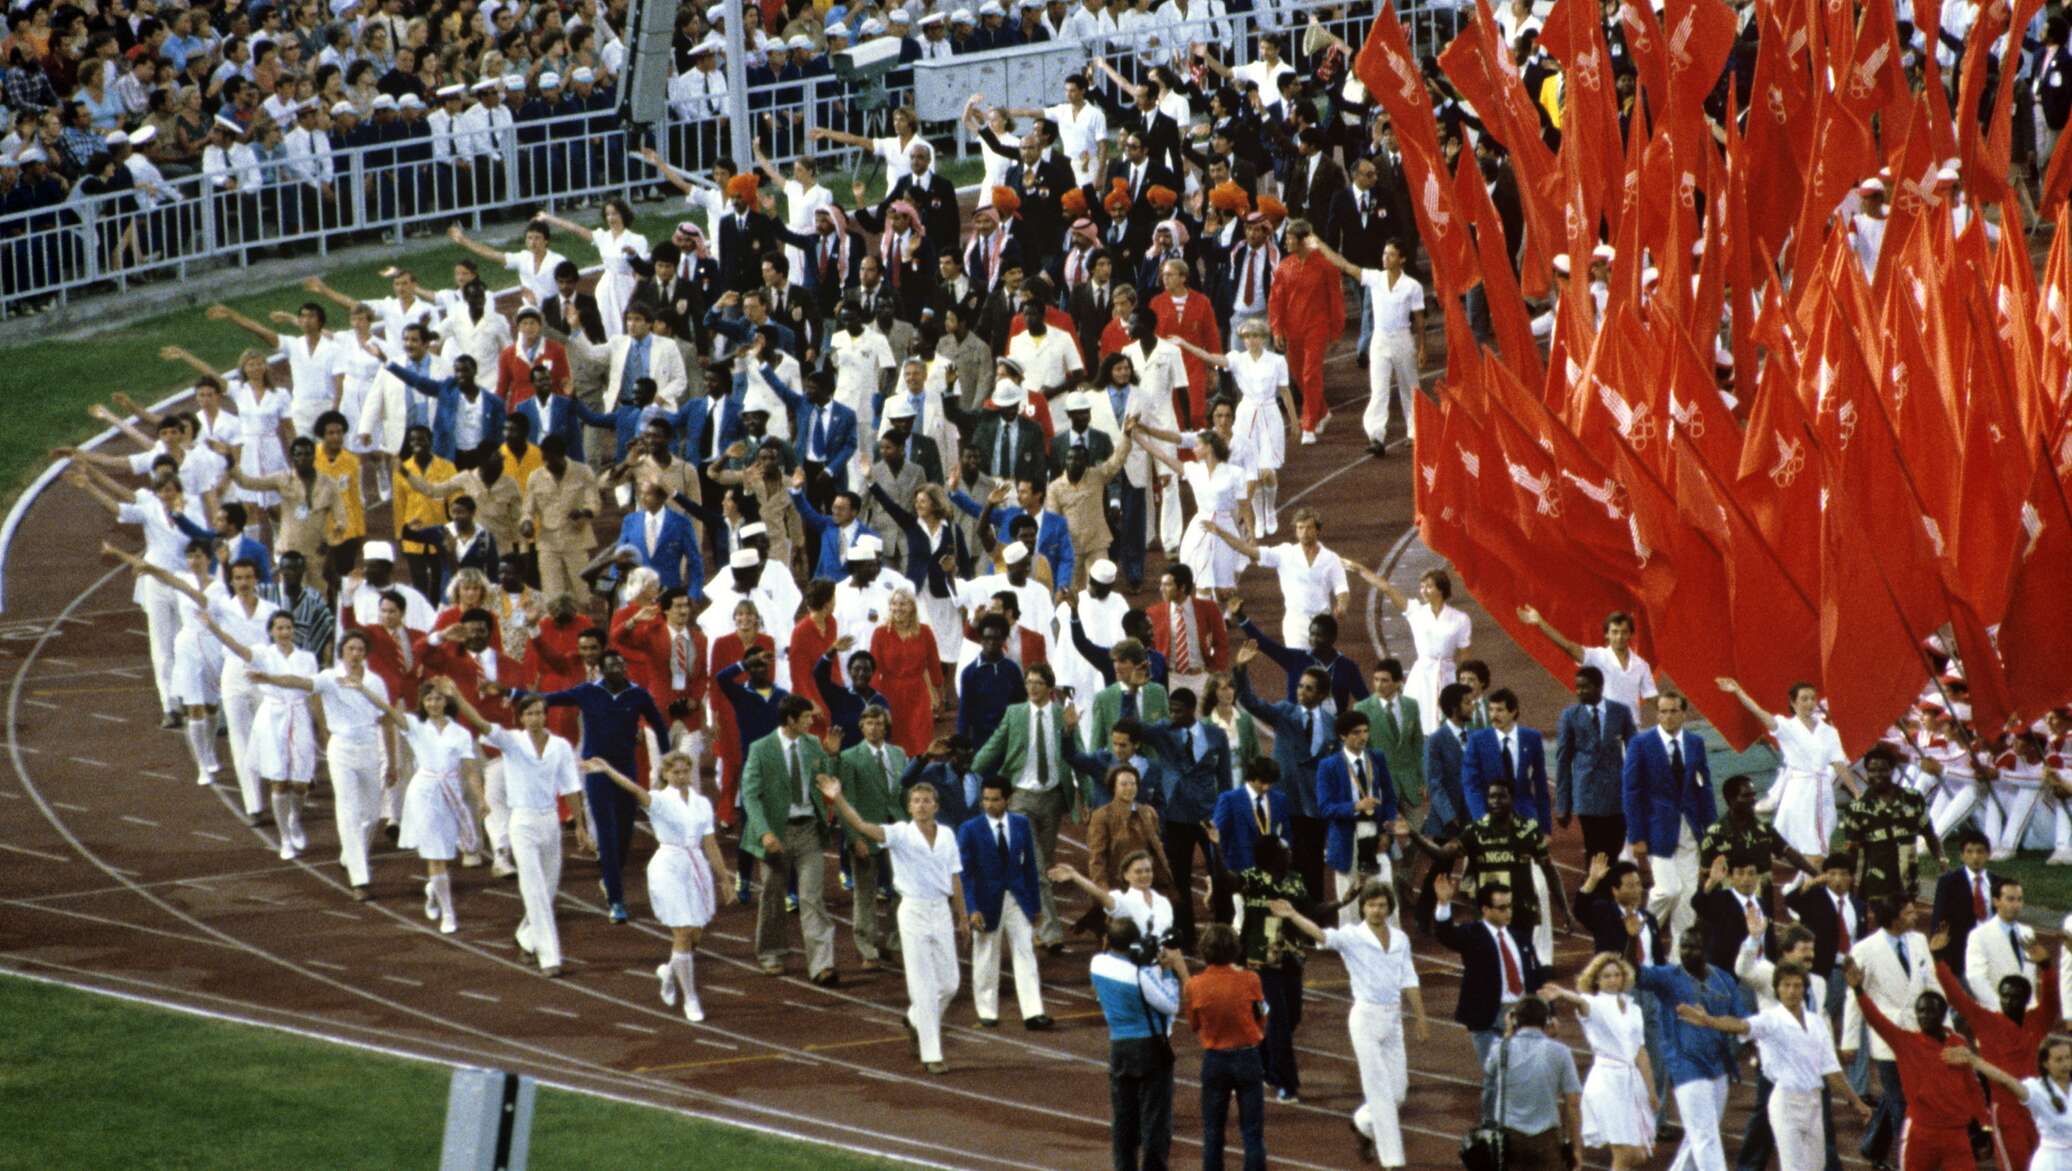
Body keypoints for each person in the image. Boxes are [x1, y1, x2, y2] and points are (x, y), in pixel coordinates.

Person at [1274, 881, 1430, 1167]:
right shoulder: (1351, 936)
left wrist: (1420, 1018)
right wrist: (1293, 915)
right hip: (1365, 1019)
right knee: (1380, 1092)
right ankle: (1392, 1161)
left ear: (1389, 908)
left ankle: (1362, 1122)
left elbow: (1409, 977)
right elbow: (1321, 934)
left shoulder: (1400, 939)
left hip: (1393, 1019)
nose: (1376, 910)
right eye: (1371, 905)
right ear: (1363, 908)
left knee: (1398, 1091)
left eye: (1382, 905)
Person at [821, 773, 968, 1074]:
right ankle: (932, 1054)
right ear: (909, 807)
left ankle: (914, 1019)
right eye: (916, 801)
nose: (921, 806)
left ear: (936, 806)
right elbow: (863, 826)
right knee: (923, 986)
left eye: (927, 801)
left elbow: (955, 876)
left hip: (940, 910)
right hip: (912, 910)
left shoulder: (948, 836)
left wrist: (962, 916)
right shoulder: (901, 833)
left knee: (951, 983)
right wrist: (838, 798)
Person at [444, 682, 588, 977]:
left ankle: (525, 936)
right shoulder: (512, 741)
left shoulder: (560, 746)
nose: (536, 718)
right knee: (533, 889)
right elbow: (482, 725)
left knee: (547, 889)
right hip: (522, 822)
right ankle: (550, 957)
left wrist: (581, 826)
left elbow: (571, 787)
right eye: (530, 714)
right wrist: (458, 696)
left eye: (540, 713)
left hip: (550, 821)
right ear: (521, 718)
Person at [1676, 962, 1873, 1171]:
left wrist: (1856, 1102)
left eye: (1797, 986)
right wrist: (1710, 1021)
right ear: (1777, 988)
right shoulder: (1771, 1019)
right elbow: (1741, 1025)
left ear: (1804, 988)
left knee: (1817, 1166)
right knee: (1793, 1167)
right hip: (1786, 1102)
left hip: (1814, 1103)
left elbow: (1832, 1070)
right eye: (1786, 985)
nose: (1791, 991)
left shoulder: (1817, 1023)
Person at [588, 752, 732, 1021]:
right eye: (675, 772)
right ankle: (691, 998)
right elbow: (633, 788)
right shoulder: (661, 800)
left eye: (685, 771)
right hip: (669, 867)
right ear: (665, 774)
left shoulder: (701, 803)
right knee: (683, 931)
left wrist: (724, 878)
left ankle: (669, 970)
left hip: (695, 866)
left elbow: (710, 842)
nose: (680, 777)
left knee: (695, 935)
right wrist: (607, 770)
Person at [344, 676, 481, 935]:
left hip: (450, 794)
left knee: (445, 853)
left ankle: (433, 890)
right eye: (429, 699)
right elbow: (386, 709)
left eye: (438, 698)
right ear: (423, 702)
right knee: (434, 853)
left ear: (446, 701)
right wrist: (362, 688)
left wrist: (482, 799)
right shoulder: (415, 725)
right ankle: (449, 912)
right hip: (424, 794)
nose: (433, 703)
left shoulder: (460, 733)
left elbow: (471, 770)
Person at [1932, 922, 2060, 1171]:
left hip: (2038, 1108)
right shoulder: (1986, 1022)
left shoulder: (2037, 1021)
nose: (2008, 1000)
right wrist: (1939, 959)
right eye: (2004, 995)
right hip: (2007, 1111)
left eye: (2015, 996)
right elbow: (1957, 996)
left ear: (2026, 999)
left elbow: (2052, 999)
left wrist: (2046, 967)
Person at [1843, 956, 1992, 1171]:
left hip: (1956, 1135)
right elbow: (1876, 1020)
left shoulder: (1958, 1043)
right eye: (1920, 1011)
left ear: (1942, 1014)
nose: (1924, 1015)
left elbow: (1972, 1086)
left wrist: (1984, 1123)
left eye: (1930, 1010)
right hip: (1920, 1135)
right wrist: (1858, 990)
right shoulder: (1905, 1043)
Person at [972, 663, 1079, 952]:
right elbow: (995, 745)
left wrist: (1084, 797)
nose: (1032, 688)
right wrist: (970, 769)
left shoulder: (1061, 715)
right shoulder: (1015, 713)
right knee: (1038, 866)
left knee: (1041, 864)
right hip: (1021, 796)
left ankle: (1032, 919)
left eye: (1038, 683)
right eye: (1028, 682)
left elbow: (1075, 754)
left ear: (1049, 687)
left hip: (1053, 797)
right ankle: (1051, 932)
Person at [202, 609, 320, 860]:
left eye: (288, 628)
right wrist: (213, 628)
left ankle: (294, 818)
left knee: (300, 782)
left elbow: (312, 689)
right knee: (278, 780)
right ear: (271, 631)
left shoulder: (307, 658)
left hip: (298, 716)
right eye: (279, 628)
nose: (285, 633)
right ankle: (285, 838)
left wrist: (318, 727)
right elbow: (238, 649)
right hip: (273, 717)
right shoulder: (263, 654)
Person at [741, 695, 839, 983]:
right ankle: (772, 952)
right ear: (791, 720)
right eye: (807, 718)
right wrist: (764, 832)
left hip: (808, 829)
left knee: (812, 897)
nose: (812, 722)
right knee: (772, 894)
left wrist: (831, 758)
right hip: (776, 831)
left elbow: (826, 784)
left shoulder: (811, 745)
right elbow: (750, 794)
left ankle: (822, 965)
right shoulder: (760, 749)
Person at [1635, 927, 1745, 1171]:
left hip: (1718, 1066)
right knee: (1705, 1136)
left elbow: (1742, 1021)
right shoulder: (1668, 976)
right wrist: (1632, 938)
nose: (1686, 952)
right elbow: (1634, 974)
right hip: (1686, 1066)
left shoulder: (1724, 980)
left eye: (1693, 946)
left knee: (1700, 1133)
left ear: (1706, 949)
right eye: (1683, 946)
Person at [1717, 677, 1852, 874]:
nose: (1809, 703)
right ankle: (1791, 891)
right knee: (1789, 847)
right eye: (1804, 699)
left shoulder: (1828, 732)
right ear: (1793, 703)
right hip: (1797, 792)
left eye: (1812, 699)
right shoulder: (1786, 727)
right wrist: (1739, 692)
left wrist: (1856, 791)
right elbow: (1759, 712)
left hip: (1821, 792)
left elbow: (1839, 763)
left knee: (1818, 850)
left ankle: (1811, 889)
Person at [1540, 956, 1660, 1171]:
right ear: (1596, 980)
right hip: (1607, 1082)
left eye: (1616, 975)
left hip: (1632, 1084)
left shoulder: (1634, 1010)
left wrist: (1651, 1092)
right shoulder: (1594, 1004)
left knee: (1639, 1154)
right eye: (1606, 976)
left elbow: (1641, 1052)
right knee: (1624, 1153)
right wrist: (1562, 993)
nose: (1613, 980)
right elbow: (1581, 1002)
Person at [1841, 895, 1935, 1165]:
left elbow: (1931, 982)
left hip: (1919, 1032)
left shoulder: (1918, 941)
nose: (1915, 916)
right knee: (1901, 1101)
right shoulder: (1866, 950)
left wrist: (1944, 1025)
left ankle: (1873, 1147)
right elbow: (1853, 996)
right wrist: (1850, 1041)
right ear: (1894, 920)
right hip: (1887, 1037)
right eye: (1909, 913)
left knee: (1899, 1094)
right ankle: (1904, 1158)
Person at [1090, 914, 1187, 1171]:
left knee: (1123, 1118)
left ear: (1107, 940)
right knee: (1154, 1119)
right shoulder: (1140, 975)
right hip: (1150, 1048)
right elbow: (1170, 1004)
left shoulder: (1097, 964)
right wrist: (1165, 971)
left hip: (1119, 1047)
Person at [957, 777, 1052, 1029]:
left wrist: (1036, 906)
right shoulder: (969, 828)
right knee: (986, 955)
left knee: (1025, 952)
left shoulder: (1020, 824)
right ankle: (987, 1012)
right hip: (985, 902)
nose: (989, 804)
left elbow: (1030, 866)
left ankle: (1033, 1012)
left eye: (995, 799)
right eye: (986, 799)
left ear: (1007, 799)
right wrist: (971, 908)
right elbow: (965, 874)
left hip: (1018, 898)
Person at [1623, 690, 1714, 947]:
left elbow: (1704, 788)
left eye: (1673, 711)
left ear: (1683, 713)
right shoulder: (1641, 744)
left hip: (1690, 829)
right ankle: (1639, 937)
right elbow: (1631, 792)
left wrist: (1711, 830)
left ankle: (1679, 957)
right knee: (1668, 890)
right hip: (1657, 830)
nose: (1667, 716)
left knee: (1688, 896)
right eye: (1662, 711)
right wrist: (1636, 835)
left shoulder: (1695, 743)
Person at [1432, 873, 1547, 1068]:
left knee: (1524, 1071)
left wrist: (1547, 1011)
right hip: (1488, 1017)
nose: (1508, 912)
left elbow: (1532, 976)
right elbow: (1446, 935)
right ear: (1485, 909)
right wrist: (1443, 904)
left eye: (1510, 906)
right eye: (1502, 908)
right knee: (1495, 1075)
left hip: (1522, 1013)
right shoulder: (1472, 934)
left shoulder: (1519, 937)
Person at [1184, 923, 1270, 1171]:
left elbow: (1193, 1023)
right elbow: (1261, 1017)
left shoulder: (1194, 985)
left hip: (1215, 1059)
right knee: (1252, 1132)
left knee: (1213, 1132)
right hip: (1247, 1056)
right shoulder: (1250, 979)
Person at [835, 703, 907, 969]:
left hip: (897, 831)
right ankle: (867, 948)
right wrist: (855, 837)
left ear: (885, 726)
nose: (874, 728)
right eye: (869, 723)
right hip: (866, 831)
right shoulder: (850, 757)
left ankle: (895, 940)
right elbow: (846, 801)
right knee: (865, 893)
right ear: (861, 726)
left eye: (879, 723)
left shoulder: (899, 754)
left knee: (902, 889)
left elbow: (904, 794)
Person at [1479, 996, 1584, 1171]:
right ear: (1547, 1021)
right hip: (1546, 1138)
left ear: (1514, 1020)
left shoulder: (1500, 1048)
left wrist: (1508, 1033)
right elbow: (1573, 1103)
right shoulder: (1561, 1052)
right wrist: (1576, 1149)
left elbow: (1489, 1073)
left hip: (1508, 1137)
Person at [1316, 710, 1398, 926]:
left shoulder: (1377, 758)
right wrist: (1355, 806)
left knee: (1385, 891)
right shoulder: (1329, 765)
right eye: (1356, 733)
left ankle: (1389, 943)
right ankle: (1351, 948)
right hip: (1347, 836)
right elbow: (1324, 808)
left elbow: (1389, 798)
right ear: (1343, 736)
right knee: (1350, 899)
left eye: (1365, 731)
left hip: (1374, 832)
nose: (1363, 737)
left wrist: (1386, 831)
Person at [1371, 569, 1470, 734]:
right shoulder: (1416, 611)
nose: (1423, 590)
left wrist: (1465, 683)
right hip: (1422, 675)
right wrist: (1361, 570)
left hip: (1448, 674)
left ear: (1441, 589)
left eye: (1429, 586)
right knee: (1417, 721)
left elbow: (1465, 654)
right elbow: (1387, 588)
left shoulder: (1460, 618)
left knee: (1450, 722)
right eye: (1422, 586)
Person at [1555, 665, 1638, 861]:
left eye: (1585, 687)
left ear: (1599, 687)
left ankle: (1604, 886)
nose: (1580, 692)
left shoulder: (1621, 712)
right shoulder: (1569, 716)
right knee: (1595, 850)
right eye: (1577, 687)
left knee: (1614, 849)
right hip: (1587, 796)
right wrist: (1562, 805)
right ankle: (1596, 889)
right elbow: (1563, 761)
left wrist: (1636, 792)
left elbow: (1635, 752)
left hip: (1615, 795)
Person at [1951, 1038, 2072, 1171]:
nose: (2065, 1064)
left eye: (2068, 1057)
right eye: (2059, 1060)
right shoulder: (2037, 1089)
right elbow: (2006, 1080)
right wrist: (1974, 1060)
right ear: (2045, 1064)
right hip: (2053, 1163)